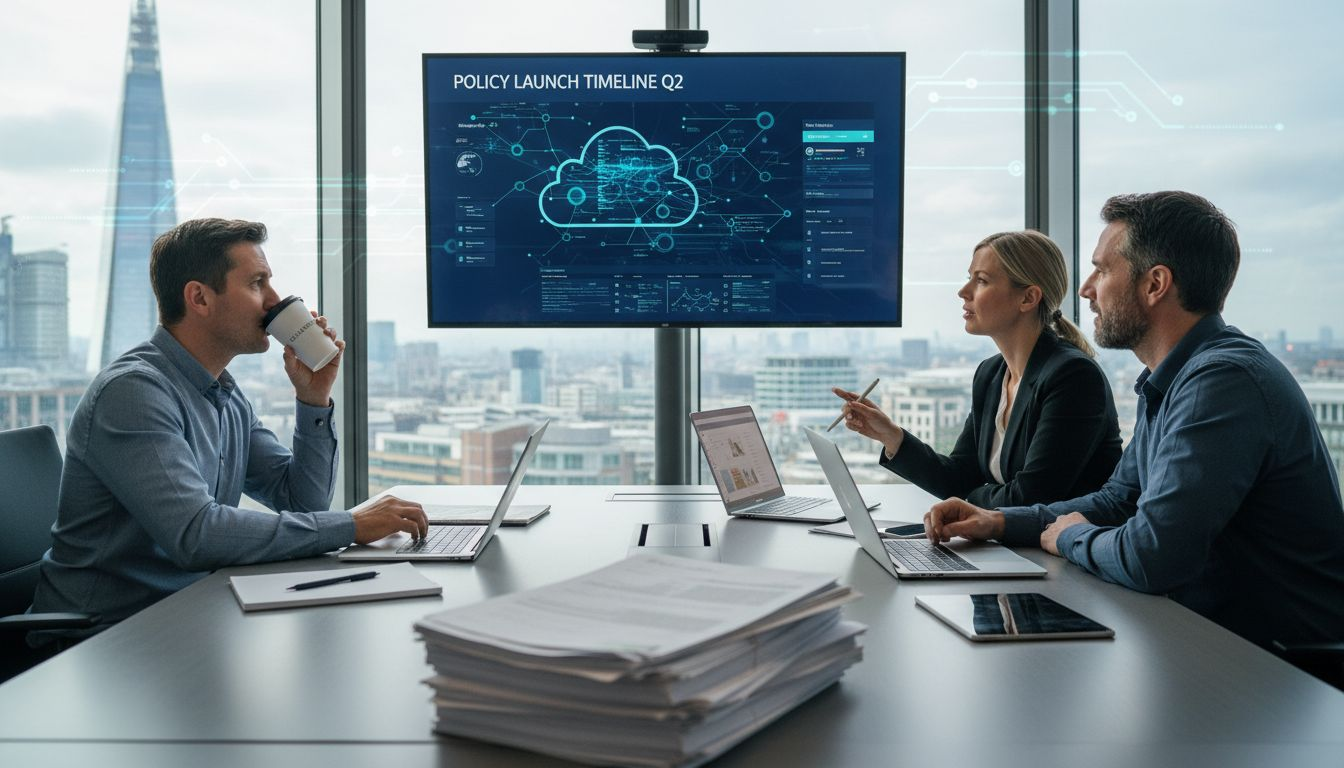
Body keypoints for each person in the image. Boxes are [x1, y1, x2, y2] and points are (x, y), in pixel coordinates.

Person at [925, 191, 1344, 648]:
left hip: (1284, 664)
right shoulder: (1172, 377)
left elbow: (1151, 555)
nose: (1086, 289)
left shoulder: (1222, 381)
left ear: (1155, 284)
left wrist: (1071, 538)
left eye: (1102, 270)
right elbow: (1118, 500)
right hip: (1214, 638)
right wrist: (999, 522)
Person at [30, 218, 429, 639]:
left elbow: (302, 500)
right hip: (101, 637)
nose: (275, 302)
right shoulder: (133, 393)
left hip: (187, 615)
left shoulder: (224, 394)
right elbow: (197, 535)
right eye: (257, 283)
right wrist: (350, 524)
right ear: (199, 298)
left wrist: (313, 399)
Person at [835, 230, 1122, 508]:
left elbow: (1032, 498)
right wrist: (891, 436)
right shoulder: (991, 374)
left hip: (1059, 552)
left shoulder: (1073, 377)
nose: (963, 292)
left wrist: (969, 499)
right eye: (969, 279)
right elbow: (958, 477)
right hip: (1008, 547)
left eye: (981, 280)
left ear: (1028, 298)